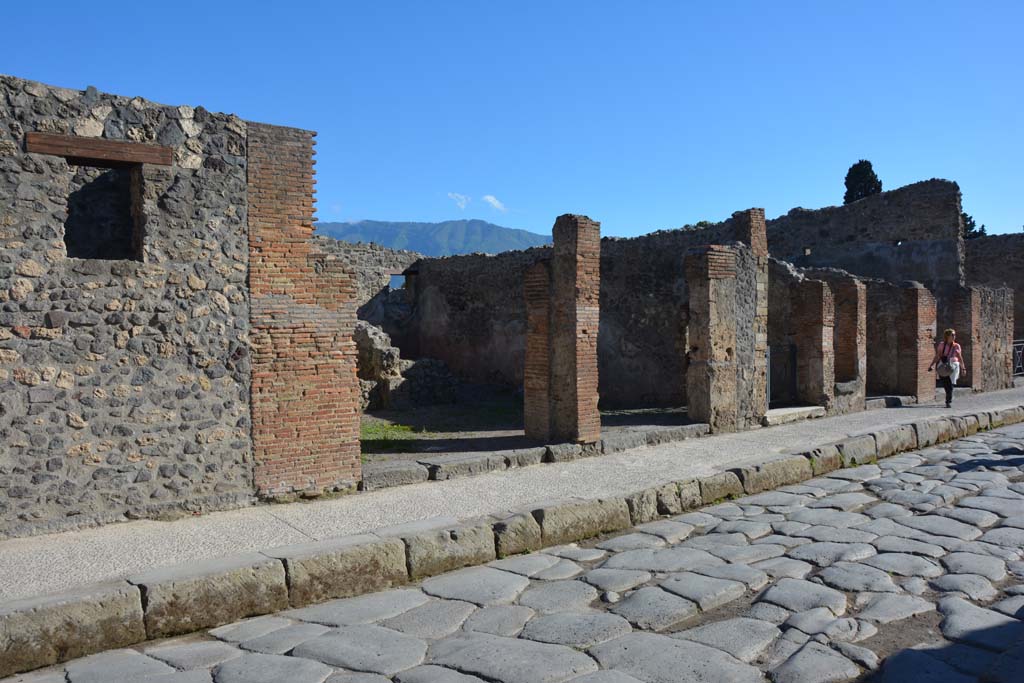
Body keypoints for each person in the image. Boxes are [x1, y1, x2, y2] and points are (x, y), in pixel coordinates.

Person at [928, 328, 966, 408]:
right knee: (946, 384)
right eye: (952, 335)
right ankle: (948, 398)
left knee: (950, 384)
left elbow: (960, 357)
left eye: (954, 335)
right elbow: (938, 355)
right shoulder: (942, 345)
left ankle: (948, 401)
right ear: (947, 336)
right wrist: (932, 365)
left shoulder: (956, 346)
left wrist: (963, 368)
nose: (954, 336)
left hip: (953, 366)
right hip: (943, 366)